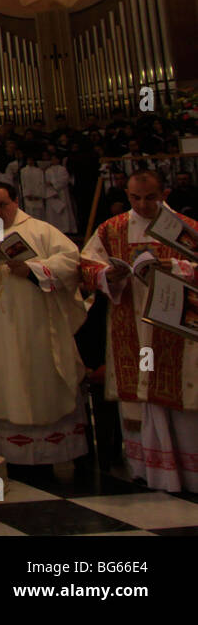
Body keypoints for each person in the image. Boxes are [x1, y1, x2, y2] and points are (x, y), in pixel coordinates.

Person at [0, 182, 88, 473]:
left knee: (37, 378)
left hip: (33, 332)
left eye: (2, 205)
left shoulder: (41, 230)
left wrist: (34, 270)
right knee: (0, 378)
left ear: (16, 202)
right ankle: (4, 453)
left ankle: (56, 456)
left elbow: (70, 261)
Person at [80, 170, 198, 492]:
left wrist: (175, 268)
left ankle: (188, 473)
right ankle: (149, 470)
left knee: (180, 400)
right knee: (145, 396)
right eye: (135, 198)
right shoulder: (112, 228)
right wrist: (110, 274)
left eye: (150, 197)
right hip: (132, 329)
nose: (142, 204)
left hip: (176, 331)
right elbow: (86, 266)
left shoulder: (184, 230)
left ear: (165, 193)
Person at [43, 151, 76, 234]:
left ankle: (66, 228)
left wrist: (54, 183)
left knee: (63, 211)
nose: (53, 161)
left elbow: (64, 180)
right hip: (51, 193)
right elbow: (46, 181)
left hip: (62, 192)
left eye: (55, 159)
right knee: (52, 212)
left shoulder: (62, 169)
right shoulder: (48, 170)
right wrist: (51, 185)